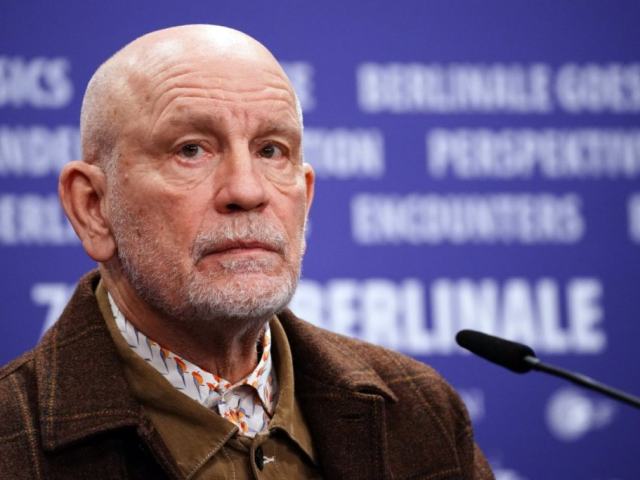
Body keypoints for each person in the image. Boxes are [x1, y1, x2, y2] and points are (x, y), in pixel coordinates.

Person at [0, 25, 494, 479]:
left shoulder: (421, 411)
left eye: (271, 150)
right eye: (191, 149)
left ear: (305, 198)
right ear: (93, 207)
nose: (247, 190)